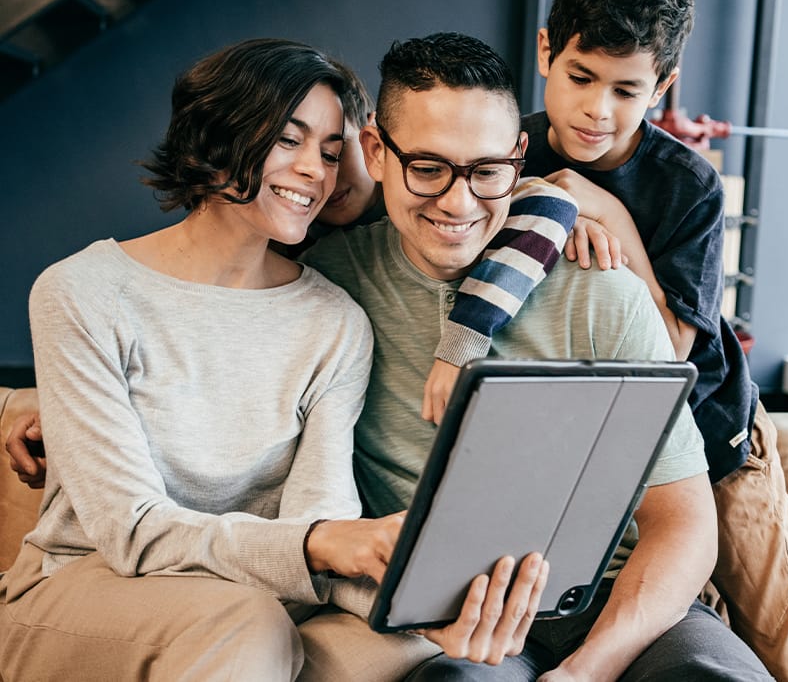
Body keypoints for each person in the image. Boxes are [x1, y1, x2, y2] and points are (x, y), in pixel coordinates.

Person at [0, 38, 550, 681]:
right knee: (244, 623)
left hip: (261, 597)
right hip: (88, 587)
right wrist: (320, 544)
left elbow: (322, 520)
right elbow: (132, 533)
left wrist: (422, 606)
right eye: (288, 141)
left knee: (406, 653)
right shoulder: (83, 291)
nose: (315, 172)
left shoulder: (335, 320)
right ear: (216, 137)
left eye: (329, 151)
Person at [298, 31, 771, 679]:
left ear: (520, 160)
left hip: (615, 599)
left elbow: (682, 522)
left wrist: (587, 670)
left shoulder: (604, 290)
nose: (459, 203)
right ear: (376, 151)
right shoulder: (324, 286)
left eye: (487, 172)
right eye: (429, 168)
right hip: (452, 619)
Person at [420, 0, 788, 681]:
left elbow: (668, 356)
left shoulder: (685, 185)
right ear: (544, 51)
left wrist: (609, 219)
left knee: (779, 634)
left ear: (663, 88)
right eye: (581, 77)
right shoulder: (507, 149)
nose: (597, 111)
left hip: (713, 437)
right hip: (580, 437)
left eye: (627, 91)